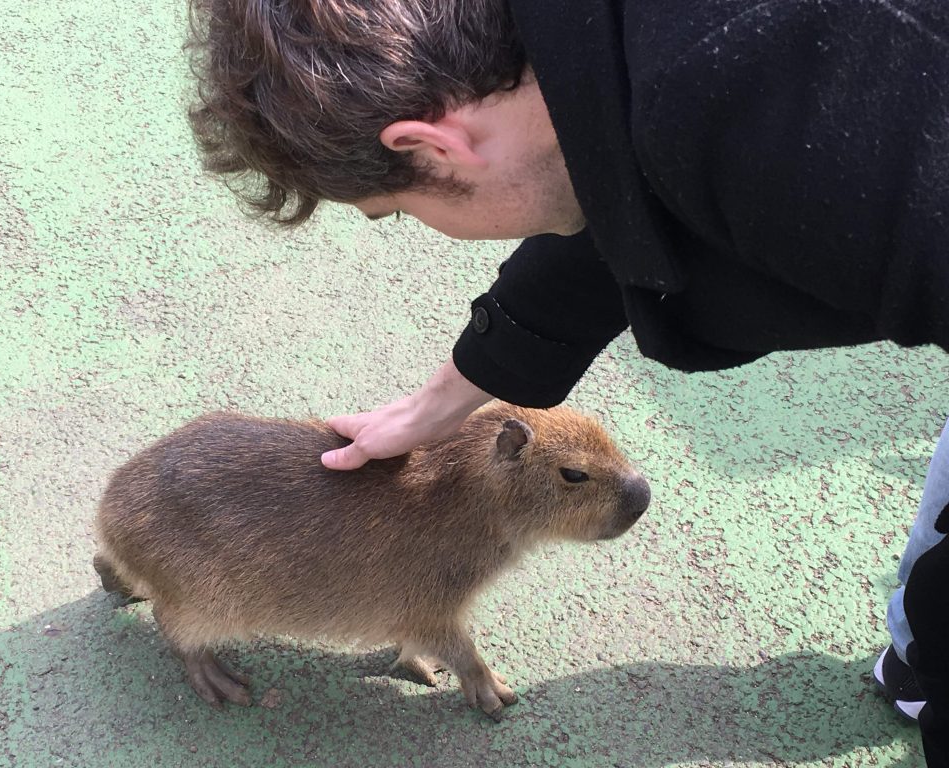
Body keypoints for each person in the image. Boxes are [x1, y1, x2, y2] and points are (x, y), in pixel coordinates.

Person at [186, 0, 949, 762]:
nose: (412, 222)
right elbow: (610, 193)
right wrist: (451, 393)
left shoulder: (778, 113)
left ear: (430, 146)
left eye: (395, 210)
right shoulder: (604, 58)